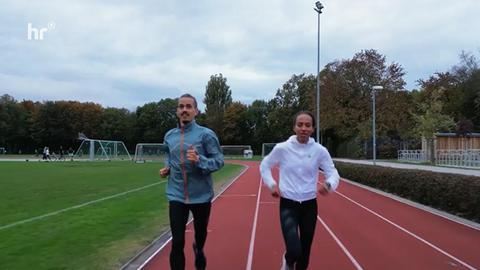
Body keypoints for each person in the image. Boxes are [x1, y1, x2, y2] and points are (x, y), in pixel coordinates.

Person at [260, 111, 340, 270]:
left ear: (313, 129)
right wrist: (271, 184)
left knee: (305, 253)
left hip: (309, 206)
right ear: (294, 127)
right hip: (288, 205)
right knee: (294, 251)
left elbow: (333, 173)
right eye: (300, 124)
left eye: (308, 125)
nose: (304, 128)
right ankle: (288, 261)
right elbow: (265, 165)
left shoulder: (319, 150)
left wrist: (329, 184)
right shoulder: (282, 148)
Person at [159, 93, 224, 270]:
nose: (184, 110)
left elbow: (219, 161)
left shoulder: (206, 135)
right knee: (177, 241)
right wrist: (167, 168)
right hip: (176, 194)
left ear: (196, 111)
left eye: (189, 107)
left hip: (201, 195)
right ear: (177, 111)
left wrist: (200, 160)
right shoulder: (169, 136)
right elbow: (169, 156)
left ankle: (199, 248)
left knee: (200, 233)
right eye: (181, 107)